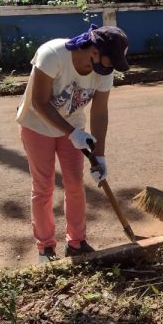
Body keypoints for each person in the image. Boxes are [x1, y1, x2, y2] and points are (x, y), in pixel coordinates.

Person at [16, 24, 130, 263]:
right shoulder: (53, 55)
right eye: (109, 61)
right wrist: (72, 133)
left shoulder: (104, 72)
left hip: (73, 126)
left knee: (75, 184)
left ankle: (76, 242)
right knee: (43, 186)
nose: (109, 69)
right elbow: (40, 102)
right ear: (94, 50)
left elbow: (100, 112)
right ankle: (45, 247)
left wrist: (100, 155)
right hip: (37, 126)